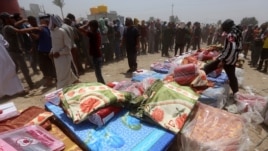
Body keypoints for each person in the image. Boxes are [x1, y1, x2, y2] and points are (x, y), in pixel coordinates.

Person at [204, 19, 243, 96]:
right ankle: (236, 93)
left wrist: (223, 60)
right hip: (232, 58)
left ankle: (197, 82)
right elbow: (239, 47)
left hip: (226, 58)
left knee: (207, 68)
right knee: (232, 77)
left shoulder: (231, 35)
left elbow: (232, 48)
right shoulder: (238, 33)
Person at [0, 12, 37, 89]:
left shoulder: (6, 27)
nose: (12, 19)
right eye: (10, 18)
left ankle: (9, 86)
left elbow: (16, 24)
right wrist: (34, 28)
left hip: (13, 51)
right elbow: (20, 31)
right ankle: (31, 85)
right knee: (24, 69)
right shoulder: (8, 28)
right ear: (6, 19)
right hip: (16, 52)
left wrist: (24, 20)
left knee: (15, 69)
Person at [49, 15, 79, 89]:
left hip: (64, 57)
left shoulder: (62, 31)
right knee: (65, 74)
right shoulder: (52, 32)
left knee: (62, 76)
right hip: (57, 59)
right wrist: (52, 52)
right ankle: (76, 83)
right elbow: (54, 45)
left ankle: (60, 90)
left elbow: (68, 46)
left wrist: (59, 53)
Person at [79, 20, 105, 84]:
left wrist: (87, 24)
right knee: (98, 74)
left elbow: (80, 29)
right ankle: (102, 84)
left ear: (93, 27)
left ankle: (102, 85)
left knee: (98, 74)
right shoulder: (97, 33)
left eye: (90, 26)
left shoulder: (92, 34)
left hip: (96, 56)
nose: (89, 28)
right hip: (97, 55)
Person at [0, 33, 26, 98]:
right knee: (11, 72)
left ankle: (2, 93)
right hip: (5, 58)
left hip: (4, 59)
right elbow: (6, 44)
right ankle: (19, 90)